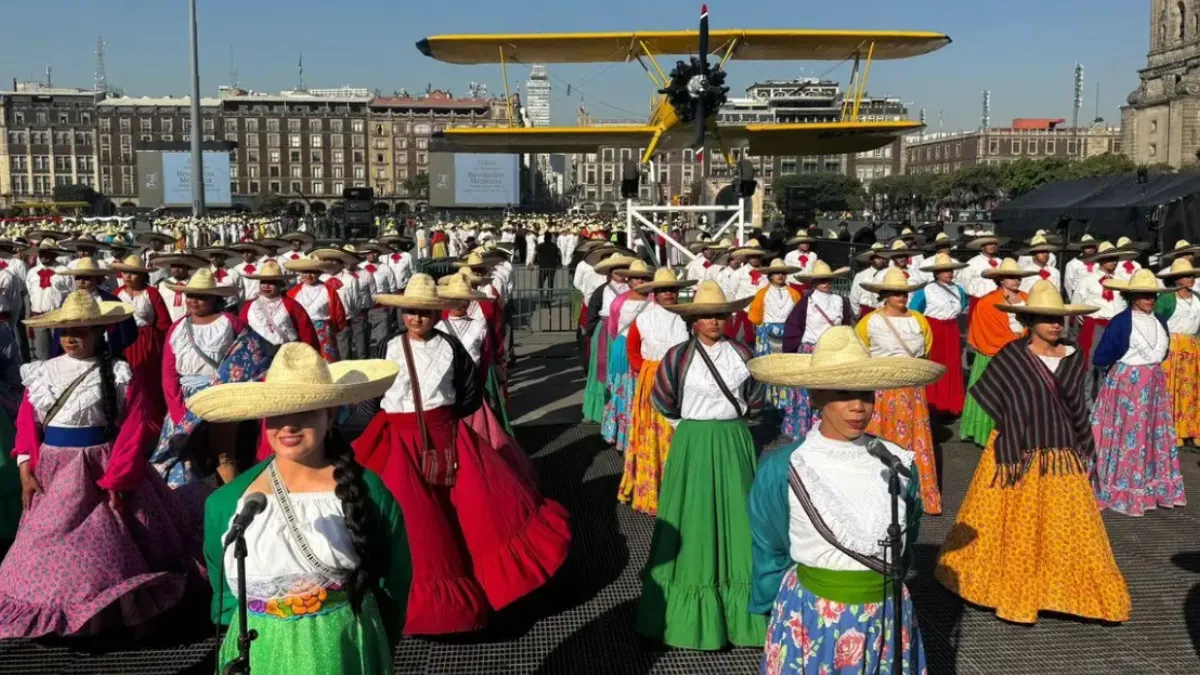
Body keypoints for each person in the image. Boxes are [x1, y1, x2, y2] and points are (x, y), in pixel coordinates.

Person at [353, 274, 571, 635]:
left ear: (437, 313)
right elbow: (368, 400)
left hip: (447, 436)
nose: (416, 318)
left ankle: (482, 590)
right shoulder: (385, 349)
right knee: (417, 522)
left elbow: (469, 395)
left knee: (473, 512)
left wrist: (443, 422)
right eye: (410, 311)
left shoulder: (450, 348)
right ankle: (428, 608)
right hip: (400, 444)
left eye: (424, 311)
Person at [189, 343, 410, 674]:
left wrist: (376, 643)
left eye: (305, 412)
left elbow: (394, 579)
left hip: (343, 651)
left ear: (330, 414)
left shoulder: (368, 492)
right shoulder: (227, 505)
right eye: (278, 414)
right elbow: (224, 597)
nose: (288, 427)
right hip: (258, 652)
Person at [0, 291, 201, 638]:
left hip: (103, 467)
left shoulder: (119, 373)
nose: (71, 338)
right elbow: (26, 421)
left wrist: (119, 480)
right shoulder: (44, 371)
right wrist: (24, 464)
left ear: (99, 332)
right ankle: (64, 609)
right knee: (49, 540)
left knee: (107, 542)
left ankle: (107, 610)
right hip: (54, 470)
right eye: (65, 332)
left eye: (80, 331)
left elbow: (134, 428)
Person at [748, 326, 945, 675]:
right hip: (812, 615)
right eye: (842, 393)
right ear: (816, 397)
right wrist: (772, 609)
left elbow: (907, 534)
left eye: (865, 394)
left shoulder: (897, 463)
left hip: (886, 613)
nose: (858, 407)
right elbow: (769, 547)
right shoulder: (785, 467)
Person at [935, 280, 1131, 624]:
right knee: (1013, 525)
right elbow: (993, 394)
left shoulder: (1074, 356)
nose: (1055, 324)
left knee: (1069, 526)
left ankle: (1072, 592)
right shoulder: (1013, 354)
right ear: (1030, 321)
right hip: (1017, 453)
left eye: (1058, 318)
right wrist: (1020, 421)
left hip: (1062, 453)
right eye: (1045, 318)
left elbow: (1076, 405)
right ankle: (1012, 590)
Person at [636, 280, 766, 650]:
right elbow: (662, 399)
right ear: (693, 320)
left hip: (733, 440)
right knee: (692, 518)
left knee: (740, 517)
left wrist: (731, 424)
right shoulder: (678, 356)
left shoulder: (743, 352)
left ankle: (744, 616)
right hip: (692, 442)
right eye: (706, 316)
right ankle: (692, 618)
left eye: (720, 315)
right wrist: (689, 428)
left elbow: (756, 399)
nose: (714, 321)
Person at [151, 269, 273, 494]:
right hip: (186, 400)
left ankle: (233, 500)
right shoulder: (177, 328)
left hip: (223, 397)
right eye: (191, 296)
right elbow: (168, 374)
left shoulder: (231, 323)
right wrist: (179, 412)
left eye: (201, 296)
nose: (194, 301)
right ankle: (193, 504)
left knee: (223, 454)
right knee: (186, 453)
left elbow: (254, 356)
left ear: (215, 298)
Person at [1090, 269, 1186, 516]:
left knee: (1151, 434)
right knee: (1129, 433)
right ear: (1132, 296)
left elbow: (1162, 352)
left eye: (1152, 294)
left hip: (1153, 384)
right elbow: (1102, 356)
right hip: (1127, 385)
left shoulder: (1159, 321)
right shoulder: (1121, 322)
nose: (1149, 299)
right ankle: (1121, 486)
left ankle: (1148, 485)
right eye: (1144, 295)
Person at [856, 268, 941, 514]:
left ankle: (918, 496)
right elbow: (860, 353)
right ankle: (878, 494)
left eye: (904, 292)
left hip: (912, 391)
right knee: (881, 440)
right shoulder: (869, 321)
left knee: (916, 442)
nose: (901, 296)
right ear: (884, 294)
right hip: (881, 390)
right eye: (895, 292)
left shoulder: (919, 320)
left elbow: (926, 350)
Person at [618, 268, 694, 516]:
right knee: (653, 433)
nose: (668, 294)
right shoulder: (643, 318)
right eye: (662, 290)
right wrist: (647, 371)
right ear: (655, 293)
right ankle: (653, 489)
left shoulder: (686, 317)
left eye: (672, 289)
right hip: (653, 380)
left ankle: (679, 489)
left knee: (678, 432)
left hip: (681, 381)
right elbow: (632, 350)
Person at [959, 259, 1034, 446]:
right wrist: (1011, 341)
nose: (1016, 280)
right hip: (993, 356)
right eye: (1011, 277)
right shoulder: (987, 303)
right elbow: (981, 332)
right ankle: (987, 434)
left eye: (1018, 277)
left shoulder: (1028, 299)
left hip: (1023, 354)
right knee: (991, 395)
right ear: (1001, 279)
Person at [780, 261, 855, 440]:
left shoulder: (840, 301)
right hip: (809, 352)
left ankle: (830, 428)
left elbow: (845, 325)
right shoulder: (806, 302)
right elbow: (794, 327)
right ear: (813, 282)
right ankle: (803, 431)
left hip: (833, 352)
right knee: (807, 392)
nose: (825, 283)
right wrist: (790, 352)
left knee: (830, 390)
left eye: (828, 280)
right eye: (821, 280)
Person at [602, 260, 655, 452]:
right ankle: (621, 435)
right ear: (629, 280)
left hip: (647, 350)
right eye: (635, 278)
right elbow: (613, 328)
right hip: (624, 348)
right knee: (622, 391)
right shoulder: (619, 302)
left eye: (644, 278)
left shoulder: (654, 300)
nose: (639, 281)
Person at [112, 255, 173, 423]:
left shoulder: (151, 293)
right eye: (125, 273)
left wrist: (161, 347)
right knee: (126, 379)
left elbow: (163, 323)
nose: (128, 276)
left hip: (146, 342)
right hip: (123, 342)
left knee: (147, 380)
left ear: (141, 275)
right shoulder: (116, 294)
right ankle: (128, 417)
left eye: (133, 273)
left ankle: (151, 418)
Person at [909, 252, 969, 417]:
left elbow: (961, 306)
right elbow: (914, 311)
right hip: (934, 330)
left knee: (953, 365)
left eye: (950, 270)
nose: (949, 273)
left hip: (952, 330)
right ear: (936, 272)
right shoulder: (926, 290)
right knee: (935, 365)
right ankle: (934, 403)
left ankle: (952, 403)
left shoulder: (958, 290)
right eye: (944, 270)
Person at [1076, 242, 1137, 401]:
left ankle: (1108, 401)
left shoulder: (1123, 280)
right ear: (1101, 260)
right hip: (1095, 324)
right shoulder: (1087, 279)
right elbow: (1077, 304)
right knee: (1089, 366)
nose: (1114, 262)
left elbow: (1128, 303)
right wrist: (1087, 322)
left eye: (1115, 258)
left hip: (1115, 326)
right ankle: (1086, 403)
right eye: (1109, 258)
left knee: (1113, 365)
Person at [582, 253, 634, 424]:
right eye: (618, 269)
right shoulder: (602, 290)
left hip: (626, 333)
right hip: (605, 334)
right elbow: (592, 314)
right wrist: (595, 333)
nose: (622, 273)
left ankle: (622, 410)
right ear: (611, 272)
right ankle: (597, 410)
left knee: (623, 370)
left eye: (625, 269)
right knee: (600, 370)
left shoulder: (633, 290)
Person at [747, 259, 803, 412]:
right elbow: (755, 317)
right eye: (776, 273)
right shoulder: (762, 293)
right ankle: (767, 401)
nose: (780, 276)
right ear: (770, 276)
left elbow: (799, 315)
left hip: (787, 333)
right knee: (768, 368)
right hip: (767, 332)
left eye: (783, 273)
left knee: (785, 367)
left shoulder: (794, 293)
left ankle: (786, 400)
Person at [1156, 258, 1200, 447]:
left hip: (1192, 347)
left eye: (1191, 275)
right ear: (1176, 279)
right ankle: (1173, 430)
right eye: (1185, 275)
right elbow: (1157, 322)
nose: (1189, 278)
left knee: (1191, 389)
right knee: (1172, 388)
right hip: (1173, 347)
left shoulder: (1197, 298)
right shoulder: (1167, 298)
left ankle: (1191, 428)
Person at [239, 261, 321, 352]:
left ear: (280, 284)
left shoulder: (292, 305)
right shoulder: (249, 306)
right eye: (263, 282)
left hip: (289, 353)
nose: (266, 286)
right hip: (258, 356)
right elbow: (242, 332)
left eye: (271, 283)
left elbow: (306, 332)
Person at [285, 258, 348, 363]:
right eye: (305, 272)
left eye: (313, 272)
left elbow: (338, 313)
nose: (309, 276)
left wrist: (333, 329)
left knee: (327, 361)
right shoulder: (292, 293)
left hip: (324, 332)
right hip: (301, 331)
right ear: (301, 274)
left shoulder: (329, 290)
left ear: (319, 273)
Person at [25, 239, 73, 361]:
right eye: (41, 252)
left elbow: (72, 293)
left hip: (58, 317)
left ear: (55, 254)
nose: (43, 256)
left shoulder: (64, 271)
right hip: (39, 317)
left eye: (47, 252)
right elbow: (30, 292)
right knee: (42, 353)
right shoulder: (32, 272)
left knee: (60, 352)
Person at [849, 243, 889, 319]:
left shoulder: (889, 275)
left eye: (883, 257)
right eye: (878, 258)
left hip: (883, 313)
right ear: (871, 260)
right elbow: (853, 297)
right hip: (865, 311)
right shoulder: (861, 275)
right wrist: (857, 313)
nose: (881, 260)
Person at [534, 231, 562, 305]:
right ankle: (549, 299)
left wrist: (533, 262)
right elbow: (558, 255)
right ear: (550, 238)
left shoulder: (540, 246)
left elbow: (535, 254)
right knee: (550, 283)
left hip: (543, 267)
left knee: (540, 283)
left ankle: (541, 298)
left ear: (544, 238)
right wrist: (560, 263)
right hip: (552, 266)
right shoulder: (554, 246)